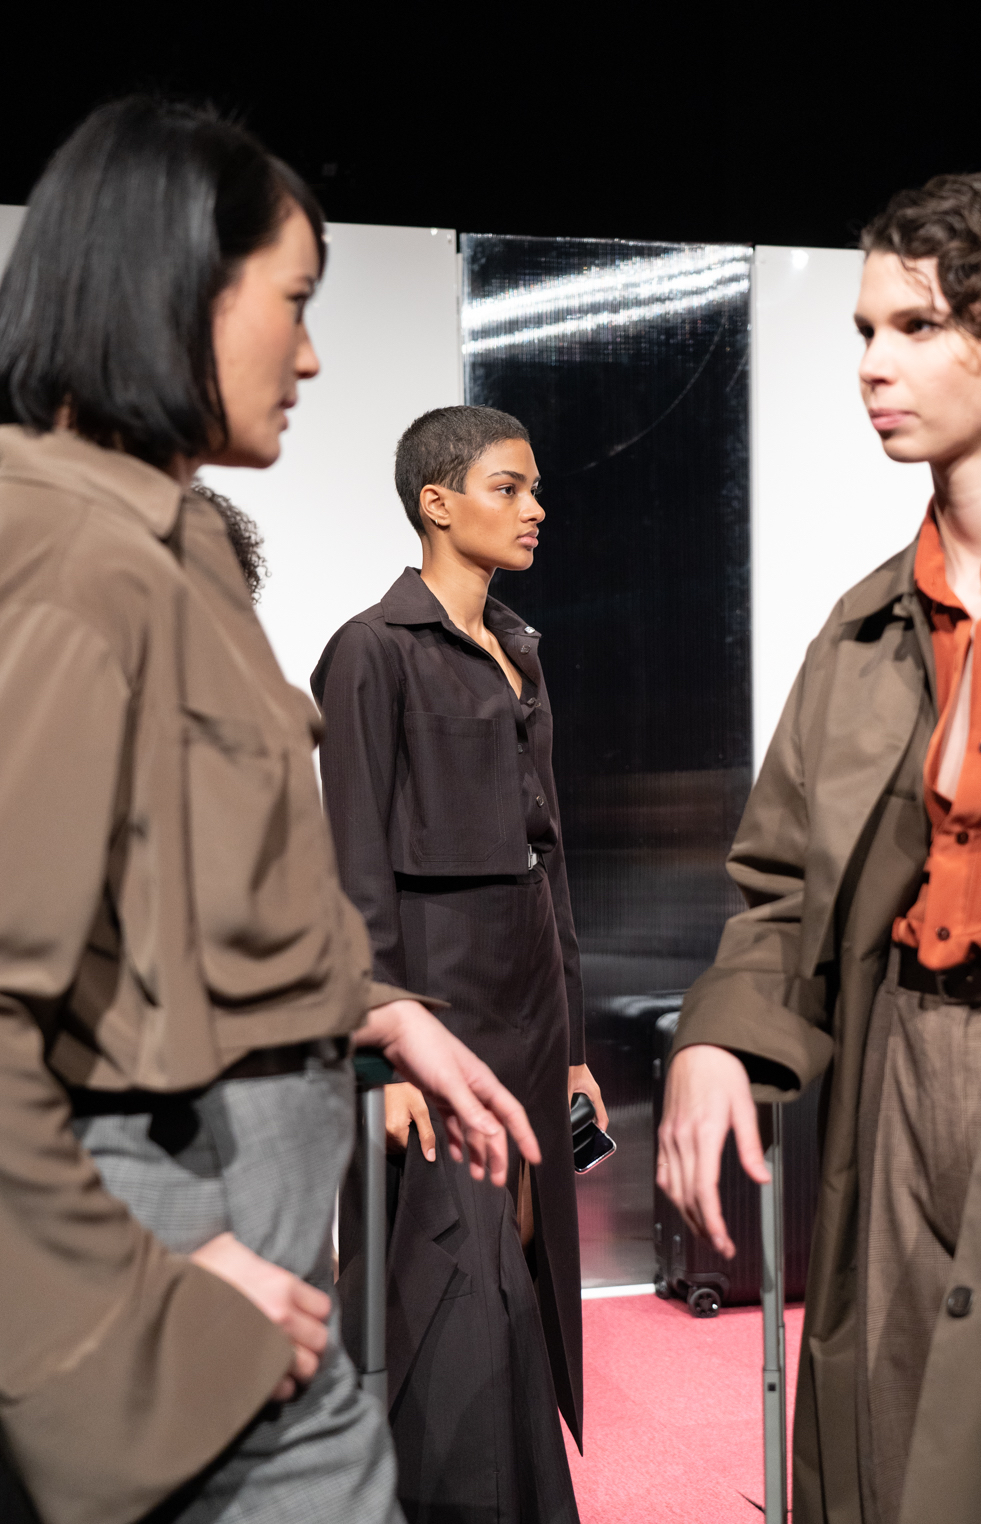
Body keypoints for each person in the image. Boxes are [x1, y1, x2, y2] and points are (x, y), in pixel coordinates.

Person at [0, 98, 540, 1524]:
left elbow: (165, 903)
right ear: (174, 287)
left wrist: (376, 1012)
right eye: (291, 304)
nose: (309, 356)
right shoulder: (70, 563)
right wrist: (147, 1286)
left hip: (249, 1259)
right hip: (168, 1259)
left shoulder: (170, 548)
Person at [657, 171, 981, 1524]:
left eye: (917, 327)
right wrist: (714, 1040)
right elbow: (778, 887)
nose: (873, 365)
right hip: (901, 1069)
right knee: (891, 1437)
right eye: (865, 330)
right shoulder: (862, 631)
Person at [312, 405, 606, 1523]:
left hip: (529, 1012)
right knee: (444, 1283)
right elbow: (350, 867)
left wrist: (573, 1050)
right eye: (507, 488)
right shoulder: (371, 651)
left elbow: (552, 860)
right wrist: (383, 1053)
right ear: (436, 503)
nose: (535, 510)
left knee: (522, 1269)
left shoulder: (520, 652)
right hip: (433, 1020)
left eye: (534, 489)